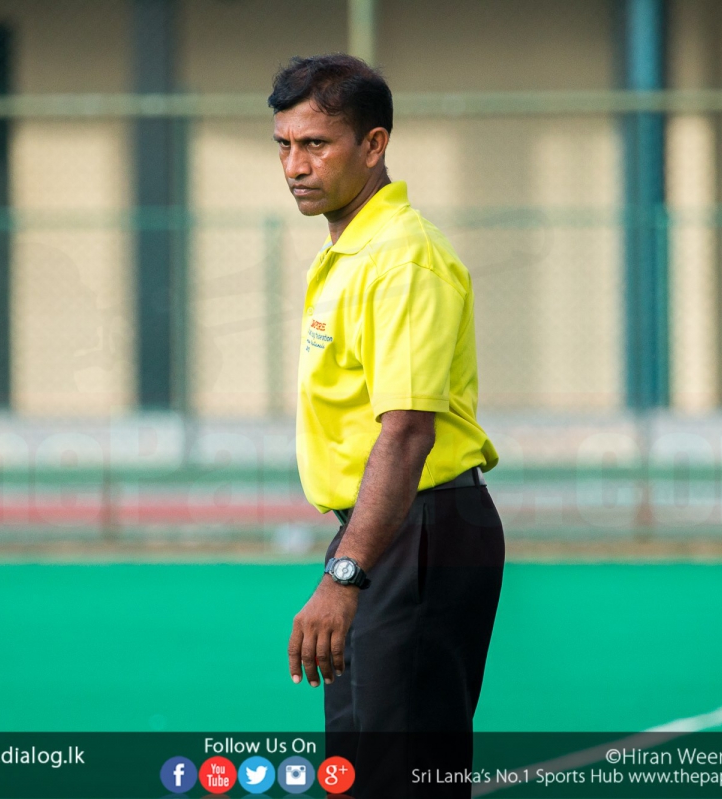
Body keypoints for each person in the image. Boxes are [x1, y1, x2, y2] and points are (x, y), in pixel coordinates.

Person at [270, 54, 505, 796]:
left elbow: (406, 433)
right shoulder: (353, 250)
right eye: (284, 145)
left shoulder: (403, 258)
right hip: (383, 534)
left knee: (401, 777)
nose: (295, 166)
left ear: (374, 145)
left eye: (316, 144)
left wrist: (345, 574)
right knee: (361, 772)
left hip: (417, 534)